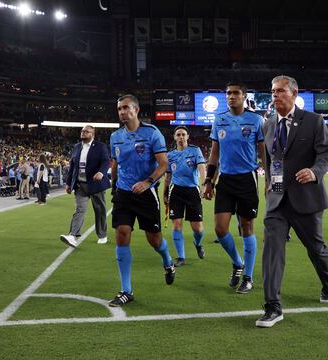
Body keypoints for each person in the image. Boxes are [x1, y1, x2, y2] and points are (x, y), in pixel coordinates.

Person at [256, 75, 328, 328]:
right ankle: (272, 307)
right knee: (272, 252)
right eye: (272, 91)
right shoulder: (268, 124)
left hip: (305, 196)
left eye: (280, 91)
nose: (275, 95)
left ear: (294, 93)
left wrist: (315, 171)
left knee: (316, 248)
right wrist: (270, 182)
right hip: (277, 198)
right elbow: (271, 159)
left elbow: (327, 153)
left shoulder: (313, 121)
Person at [108, 94, 175, 307]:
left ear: (136, 110)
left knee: (154, 240)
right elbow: (116, 164)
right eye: (119, 109)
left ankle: (167, 261)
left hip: (146, 193)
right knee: (122, 233)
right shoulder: (115, 137)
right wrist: (114, 187)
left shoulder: (152, 133)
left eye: (126, 108)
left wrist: (148, 182)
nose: (122, 112)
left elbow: (164, 164)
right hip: (124, 193)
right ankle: (126, 290)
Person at [202, 82, 266, 294]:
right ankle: (238, 263)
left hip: (247, 179)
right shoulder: (219, 119)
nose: (231, 96)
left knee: (246, 227)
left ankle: (247, 277)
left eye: (236, 93)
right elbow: (214, 153)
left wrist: (268, 180)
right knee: (220, 229)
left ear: (244, 96)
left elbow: (264, 153)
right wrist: (209, 181)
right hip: (226, 180)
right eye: (228, 93)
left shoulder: (256, 120)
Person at [59, 125, 110, 247]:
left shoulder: (100, 146)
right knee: (79, 210)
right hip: (80, 185)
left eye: (86, 131)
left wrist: (101, 172)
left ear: (92, 134)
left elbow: (105, 161)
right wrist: (68, 183)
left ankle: (102, 235)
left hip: (96, 184)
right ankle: (72, 235)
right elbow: (72, 166)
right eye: (82, 131)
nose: (83, 133)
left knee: (99, 210)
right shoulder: (76, 147)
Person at [163, 126, 206, 267]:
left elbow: (201, 168)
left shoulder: (195, 151)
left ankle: (198, 243)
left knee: (198, 228)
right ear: (174, 137)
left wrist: (204, 185)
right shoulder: (170, 155)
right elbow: (168, 176)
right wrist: (164, 193)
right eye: (178, 135)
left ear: (187, 136)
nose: (181, 137)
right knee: (177, 224)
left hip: (192, 191)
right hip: (176, 191)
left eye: (183, 134)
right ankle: (181, 257)